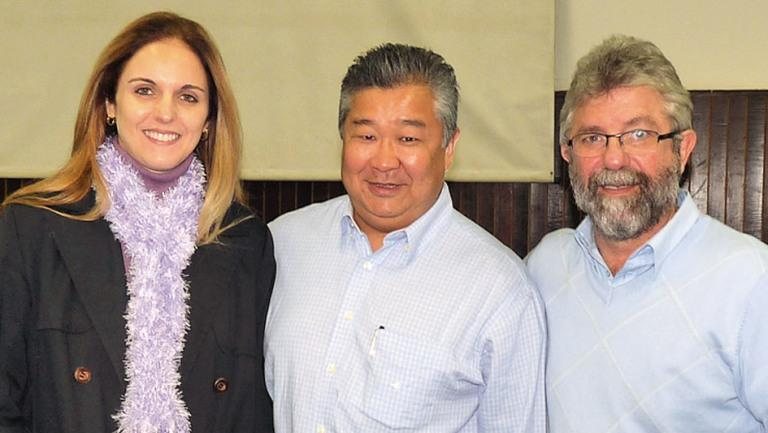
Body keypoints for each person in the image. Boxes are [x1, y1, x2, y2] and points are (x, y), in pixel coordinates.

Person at [0, 12, 275, 433]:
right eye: (145, 90)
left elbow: (252, 410)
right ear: (110, 104)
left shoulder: (244, 239)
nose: (165, 113)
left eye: (188, 97)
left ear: (208, 121)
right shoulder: (32, 227)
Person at [265, 43, 546, 433]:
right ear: (342, 139)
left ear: (449, 148)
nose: (383, 161)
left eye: (408, 139)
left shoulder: (500, 291)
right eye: (365, 136)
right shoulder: (282, 244)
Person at [526, 34, 768, 432]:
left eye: (639, 134)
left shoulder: (749, 280)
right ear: (567, 153)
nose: (614, 158)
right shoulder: (545, 266)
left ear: (683, 149)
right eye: (592, 138)